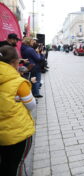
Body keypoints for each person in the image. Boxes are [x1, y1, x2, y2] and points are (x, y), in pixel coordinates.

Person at [0, 45, 36, 176]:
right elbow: (31, 105)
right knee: (17, 165)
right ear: (15, 62)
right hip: (17, 134)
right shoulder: (19, 83)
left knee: (4, 163)